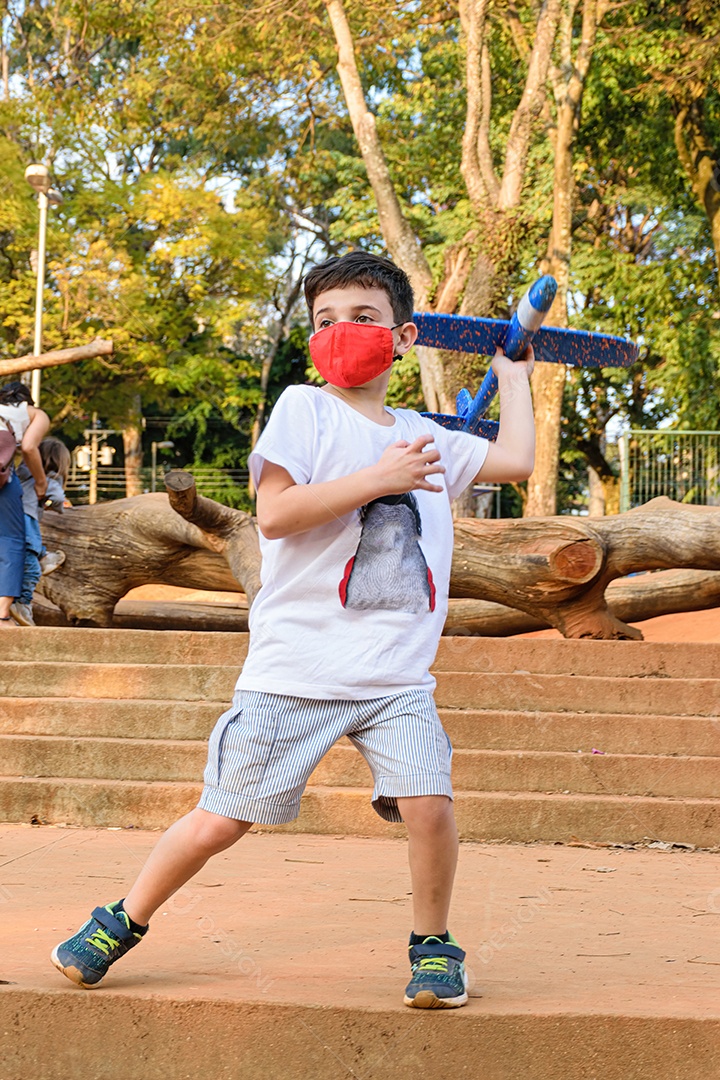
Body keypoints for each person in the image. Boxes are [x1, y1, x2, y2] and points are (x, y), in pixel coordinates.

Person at [51, 251, 535, 1008]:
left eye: (364, 318)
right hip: (294, 673)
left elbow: (517, 457)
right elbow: (275, 513)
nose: (344, 331)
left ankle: (434, 945)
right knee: (219, 821)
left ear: (405, 337)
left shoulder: (425, 436)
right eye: (326, 320)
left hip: (394, 677)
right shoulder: (304, 410)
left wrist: (513, 375)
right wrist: (379, 478)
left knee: (429, 806)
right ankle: (122, 918)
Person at [0, 382, 50, 628]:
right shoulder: (35, 414)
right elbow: (30, 447)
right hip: (3, 480)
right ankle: (6, 611)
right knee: (12, 540)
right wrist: (41, 483)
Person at [12, 436, 70, 626]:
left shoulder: (23, 471)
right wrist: (54, 506)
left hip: (8, 517)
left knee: (25, 552)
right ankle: (22, 603)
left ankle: (44, 556)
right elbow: (58, 499)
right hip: (26, 521)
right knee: (31, 566)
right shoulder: (50, 479)